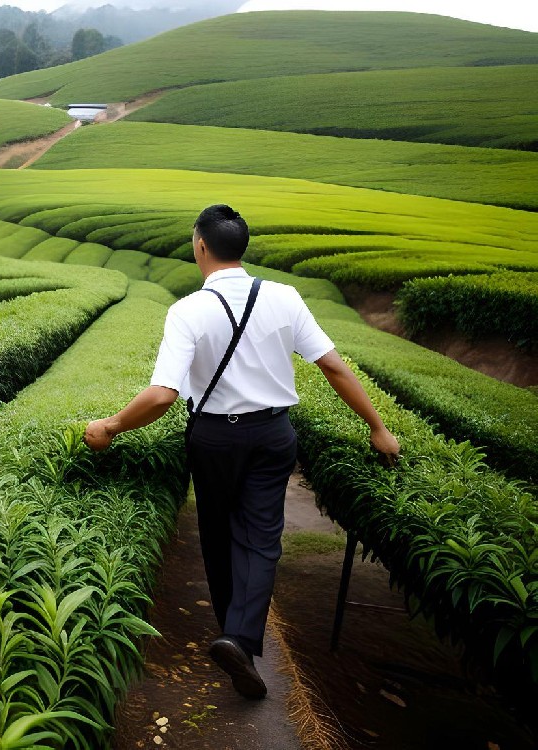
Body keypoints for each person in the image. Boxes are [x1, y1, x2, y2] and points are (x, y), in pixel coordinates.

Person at [83, 204, 400, 699]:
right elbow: (334, 367)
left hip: (213, 437)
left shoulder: (187, 310)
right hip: (272, 435)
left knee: (216, 533)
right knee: (259, 537)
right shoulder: (286, 298)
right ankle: (240, 640)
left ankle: (235, 636)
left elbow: (163, 394)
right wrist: (378, 428)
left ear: (200, 247)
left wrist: (111, 425)